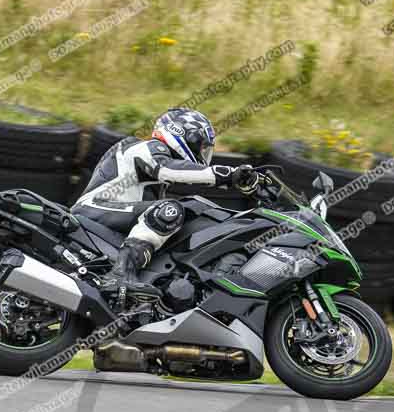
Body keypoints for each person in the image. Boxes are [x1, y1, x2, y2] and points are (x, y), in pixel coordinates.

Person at [71, 108, 259, 295]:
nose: (204, 155)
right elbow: (167, 168)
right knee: (169, 209)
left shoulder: (157, 179)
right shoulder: (143, 147)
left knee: (185, 212)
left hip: (113, 218)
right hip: (92, 210)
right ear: (183, 135)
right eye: (202, 147)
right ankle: (119, 274)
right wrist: (227, 175)